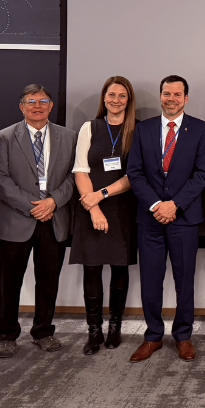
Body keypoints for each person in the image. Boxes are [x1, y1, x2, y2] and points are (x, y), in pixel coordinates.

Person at [126, 75, 205, 363]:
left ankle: (183, 336)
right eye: (166, 93)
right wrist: (155, 205)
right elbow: (134, 173)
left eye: (177, 94)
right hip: (149, 219)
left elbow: (201, 175)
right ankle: (152, 336)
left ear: (186, 98)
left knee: (184, 280)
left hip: (183, 219)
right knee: (151, 280)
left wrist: (174, 205)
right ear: (160, 96)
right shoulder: (144, 129)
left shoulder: (200, 130)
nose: (171, 99)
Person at [0, 85, 76, 358]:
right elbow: (0, 179)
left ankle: (43, 332)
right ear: (22, 107)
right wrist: (34, 207)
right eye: (31, 102)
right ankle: (6, 335)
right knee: (9, 281)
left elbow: (75, 176)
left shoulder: (69, 136)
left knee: (48, 280)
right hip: (16, 220)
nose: (37, 106)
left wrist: (53, 202)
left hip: (55, 218)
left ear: (51, 106)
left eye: (43, 101)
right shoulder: (4, 137)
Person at [69, 76, 139, 355]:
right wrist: (94, 206)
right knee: (92, 269)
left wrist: (102, 195)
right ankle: (94, 331)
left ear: (128, 100)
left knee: (120, 269)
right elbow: (80, 170)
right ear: (104, 97)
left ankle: (115, 328)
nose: (116, 100)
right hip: (90, 207)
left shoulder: (138, 130)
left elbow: (134, 175)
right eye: (111, 95)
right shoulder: (90, 127)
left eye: (122, 96)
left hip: (122, 208)